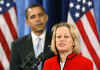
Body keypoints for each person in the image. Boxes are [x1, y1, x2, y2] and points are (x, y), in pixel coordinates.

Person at [10, 4, 54, 70]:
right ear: (27, 22)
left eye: (40, 15)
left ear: (46, 17)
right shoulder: (17, 45)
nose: (38, 19)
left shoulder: (56, 40)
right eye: (33, 17)